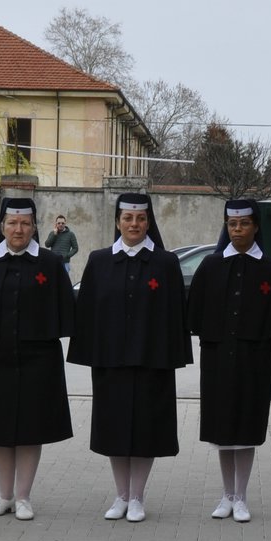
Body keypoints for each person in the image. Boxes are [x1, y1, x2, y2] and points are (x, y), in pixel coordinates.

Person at [68, 192, 191, 522]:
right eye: (127, 219)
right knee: (115, 429)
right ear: (118, 222)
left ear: (148, 222)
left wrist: (175, 355)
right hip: (111, 361)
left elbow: (177, 314)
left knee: (146, 429)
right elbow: (88, 312)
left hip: (153, 361)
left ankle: (137, 496)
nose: (134, 224)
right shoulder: (99, 261)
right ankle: (120, 494)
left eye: (140, 219)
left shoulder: (165, 263)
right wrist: (88, 353)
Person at [0, 197, 75, 520]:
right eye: (12, 223)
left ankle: (23, 496)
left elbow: (66, 309)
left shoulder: (50, 264)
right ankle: (4, 495)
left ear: (35, 228)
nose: (18, 229)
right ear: (2, 227)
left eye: (25, 224)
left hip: (39, 358)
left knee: (30, 427)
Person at [186, 199, 271, 523]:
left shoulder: (270, 270)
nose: (237, 230)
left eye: (244, 224)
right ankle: (226, 494)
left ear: (256, 226)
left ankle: (242, 496)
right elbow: (195, 313)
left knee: (245, 429)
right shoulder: (210, 266)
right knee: (222, 431)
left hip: (253, 362)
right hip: (217, 360)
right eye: (232, 225)